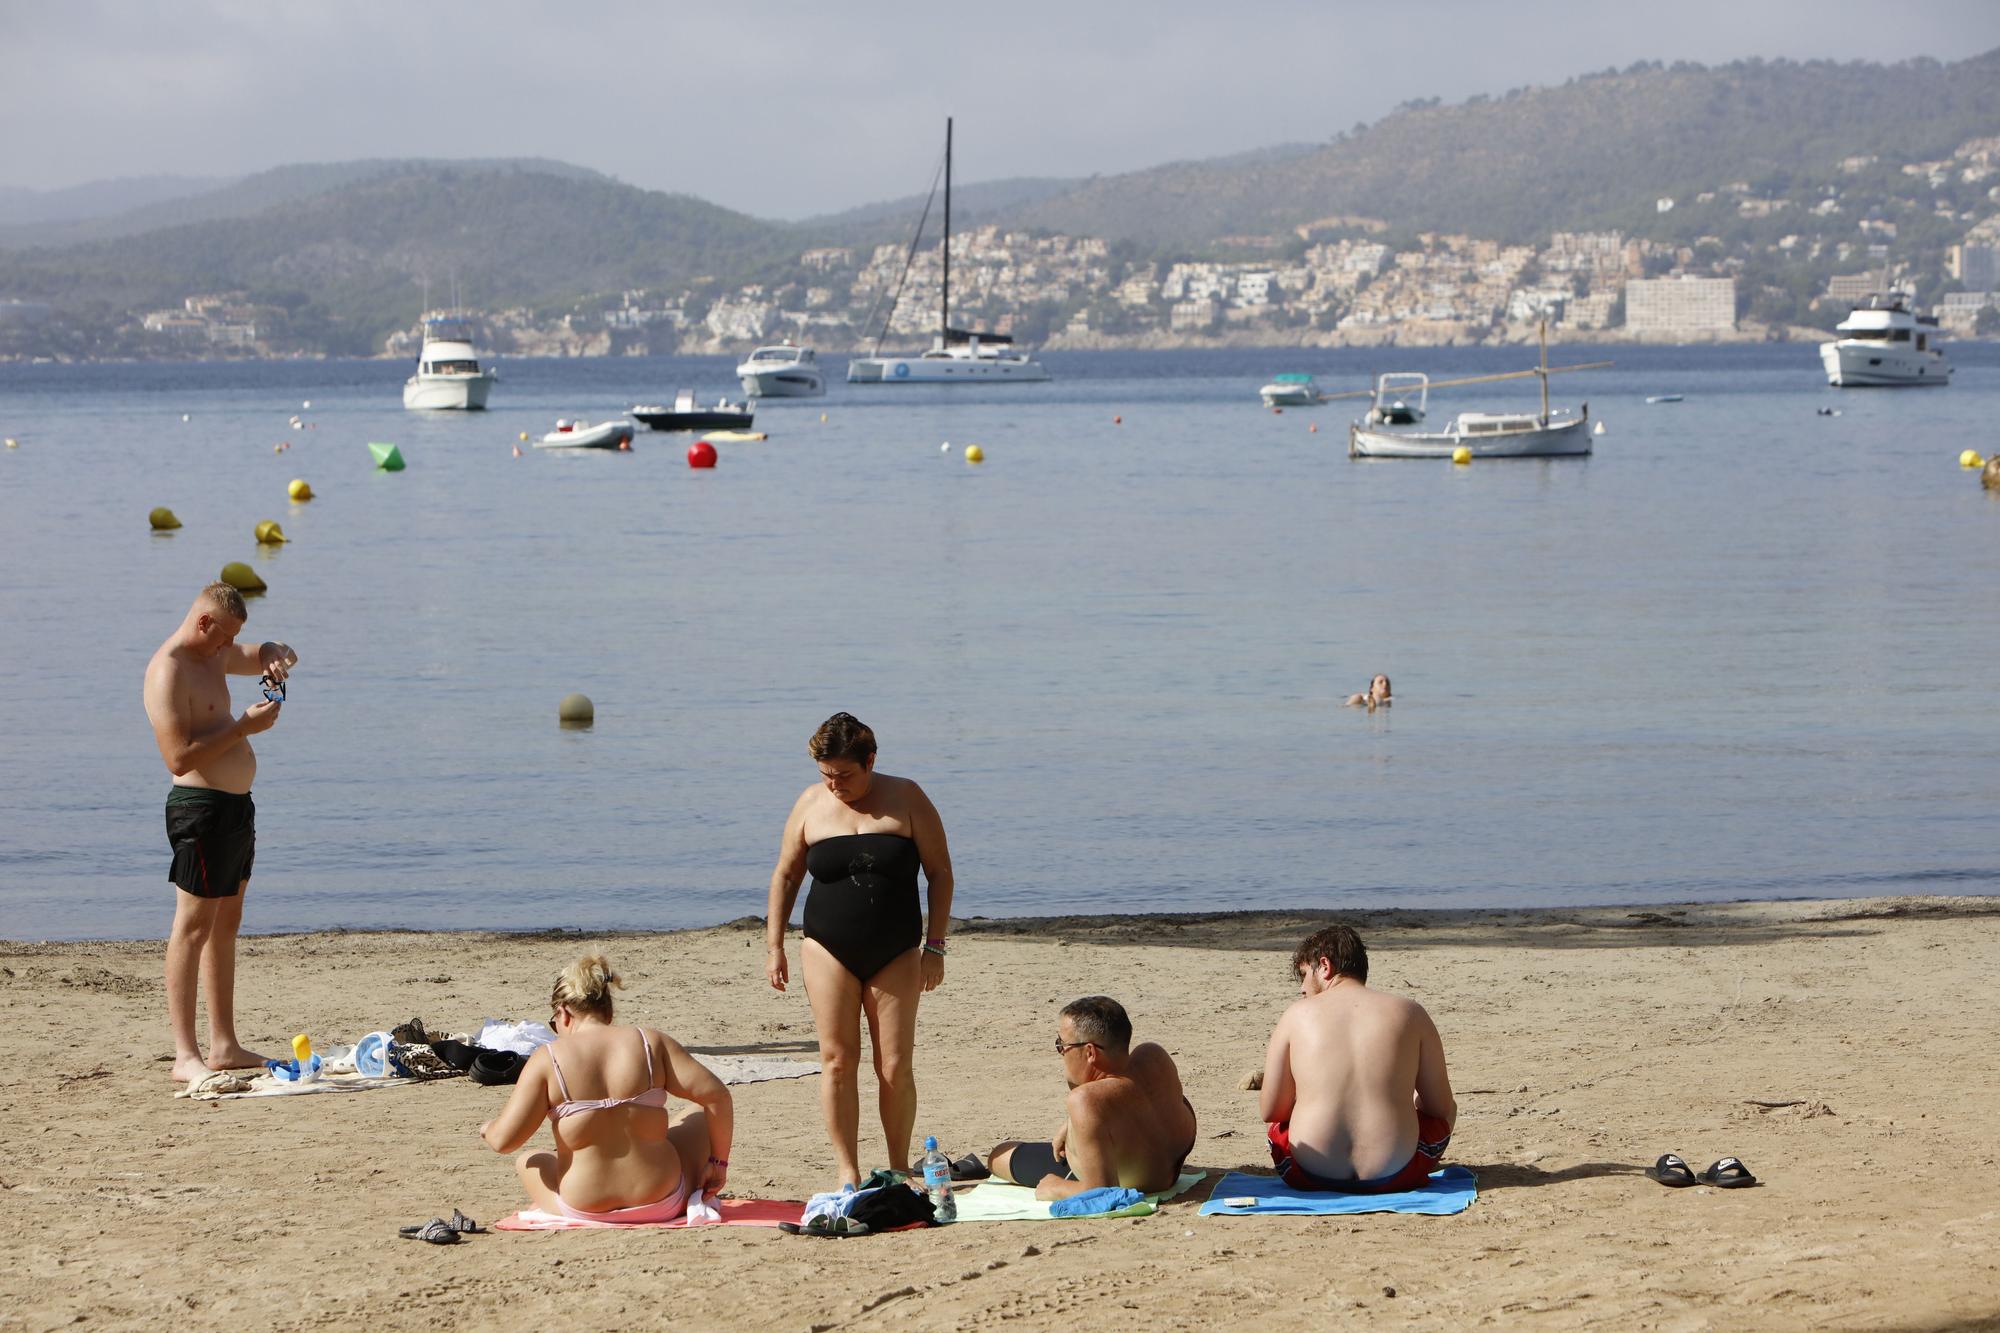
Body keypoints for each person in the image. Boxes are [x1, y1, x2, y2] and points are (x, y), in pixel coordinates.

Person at [764, 712, 955, 1186]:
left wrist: (936, 946)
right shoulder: (810, 803)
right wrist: (775, 945)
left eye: (844, 775)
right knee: (837, 1060)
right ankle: (847, 1170)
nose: (834, 785)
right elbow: (786, 875)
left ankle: (897, 1165)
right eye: (826, 774)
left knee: (893, 1064)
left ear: (870, 761)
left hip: (897, 950)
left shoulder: (907, 797)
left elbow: (940, 873)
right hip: (827, 947)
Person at [143, 582, 297, 1083]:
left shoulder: (215, 652)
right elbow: (178, 756)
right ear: (204, 623)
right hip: (199, 809)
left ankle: (224, 1044)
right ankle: (184, 1055)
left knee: (226, 923)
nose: (227, 648)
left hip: (236, 807)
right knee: (191, 927)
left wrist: (274, 653)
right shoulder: (169, 668)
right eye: (224, 636)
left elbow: (252, 655)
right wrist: (242, 730)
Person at [481, 955, 734, 1223]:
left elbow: (504, 1141)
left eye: (553, 1024)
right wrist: (718, 1165)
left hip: (584, 1206)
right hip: (662, 1200)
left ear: (563, 1013)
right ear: (609, 1011)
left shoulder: (548, 1058)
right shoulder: (650, 1042)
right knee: (697, 1111)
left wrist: (487, 1128)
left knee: (529, 1160)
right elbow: (717, 1095)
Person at [1260, 924, 1456, 1193]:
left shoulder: (1296, 1015)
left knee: (1280, 1125)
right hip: (1397, 1174)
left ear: (1324, 966)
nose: (1303, 989)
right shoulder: (1411, 1012)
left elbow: (1272, 1111)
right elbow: (1441, 1108)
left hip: (1308, 1174)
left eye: (1305, 975)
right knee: (1443, 1108)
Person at [988, 996, 1197, 1200]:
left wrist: (1057, 1187)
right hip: (1169, 1171)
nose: (1060, 1051)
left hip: (1137, 1180)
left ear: (1090, 1052)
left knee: (998, 1156)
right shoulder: (1154, 1056)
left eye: (1061, 1045)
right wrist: (1072, 1123)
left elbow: (1103, 1191)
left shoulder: (1085, 1099)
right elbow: (1127, 1100)